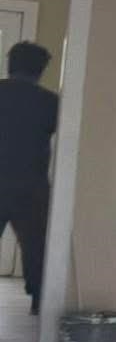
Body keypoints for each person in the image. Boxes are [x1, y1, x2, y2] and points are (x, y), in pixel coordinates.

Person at [0, 41, 58, 314]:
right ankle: (39, 302)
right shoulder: (49, 102)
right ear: (41, 69)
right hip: (31, 187)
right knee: (37, 249)